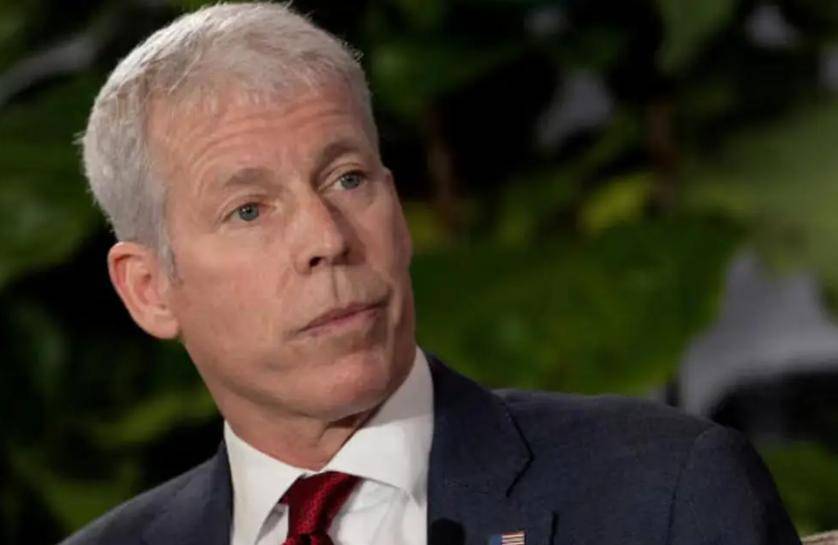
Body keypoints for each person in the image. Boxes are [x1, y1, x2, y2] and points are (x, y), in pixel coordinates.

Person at [61, 3, 801, 545]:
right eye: (249, 210)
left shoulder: (664, 493)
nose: (327, 238)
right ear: (149, 290)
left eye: (348, 179)